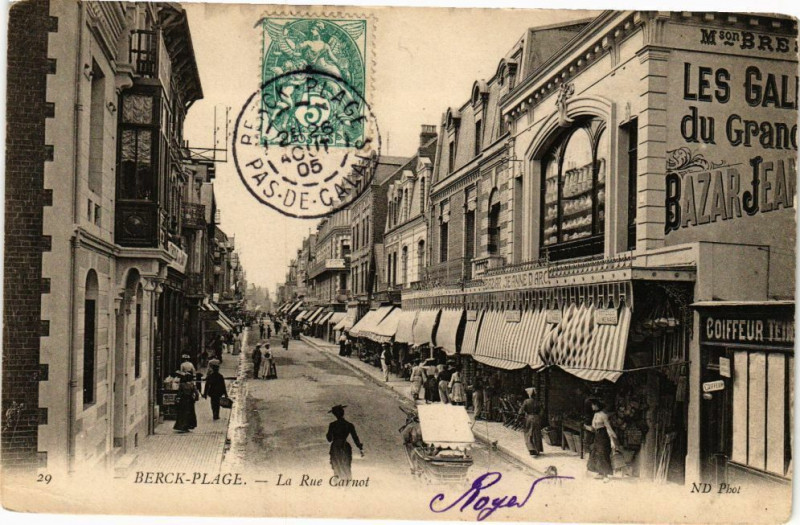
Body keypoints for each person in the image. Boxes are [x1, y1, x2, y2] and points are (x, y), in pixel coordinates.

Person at [326, 405, 364, 481]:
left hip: (335, 446)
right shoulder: (349, 425)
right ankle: (348, 483)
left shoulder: (332, 425)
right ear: (343, 413)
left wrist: (329, 434)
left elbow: (329, 439)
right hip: (345, 445)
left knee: (336, 465)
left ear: (335, 415)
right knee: (347, 465)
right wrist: (360, 447)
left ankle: (338, 483)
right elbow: (355, 437)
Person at [584, 398, 618, 482]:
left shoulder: (603, 415)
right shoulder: (595, 415)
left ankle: (605, 475)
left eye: (593, 404)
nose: (592, 406)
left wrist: (613, 434)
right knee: (596, 453)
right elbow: (594, 428)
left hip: (603, 436)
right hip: (597, 435)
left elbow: (607, 426)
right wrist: (586, 427)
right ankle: (600, 473)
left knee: (603, 454)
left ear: (597, 405)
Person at [519, 387, 544, 456]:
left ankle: (531, 449)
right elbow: (542, 411)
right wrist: (538, 416)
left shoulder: (526, 401)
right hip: (537, 418)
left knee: (528, 433)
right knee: (536, 433)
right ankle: (537, 449)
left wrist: (522, 416)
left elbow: (521, 411)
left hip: (529, 418)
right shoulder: (538, 402)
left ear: (529, 394)